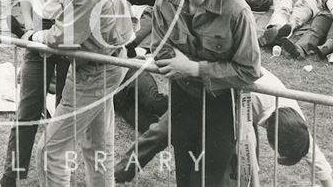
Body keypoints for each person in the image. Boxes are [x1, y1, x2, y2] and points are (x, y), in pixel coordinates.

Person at [32, 0, 135, 186]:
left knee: (51, 151)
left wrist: (38, 36)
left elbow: (63, 39)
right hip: (110, 61)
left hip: (94, 70)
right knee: (97, 148)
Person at [152, 0, 261, 186]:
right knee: (184, 175)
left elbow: (248, 71)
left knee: (209, 179)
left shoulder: (236, 11)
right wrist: (178, 67)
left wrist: (193, 68)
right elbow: (159, 48)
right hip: (182, 99)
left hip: (221, 104)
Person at [115, 68, 333, 187]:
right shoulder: (258, 99)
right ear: (273, 136)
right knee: (162, 131)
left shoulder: (294, 120)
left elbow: (318, 160)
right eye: (277, 149)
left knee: (238, 159)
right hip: (207, 92)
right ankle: (120, 173)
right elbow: (245, 139)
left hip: (231, 102)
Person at [0, 0, 70, 186]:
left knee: (63, 109)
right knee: (28, 107)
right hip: (41, 29)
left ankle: (55, 176)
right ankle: (11, 176)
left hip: (72, 32)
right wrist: (29, 28)